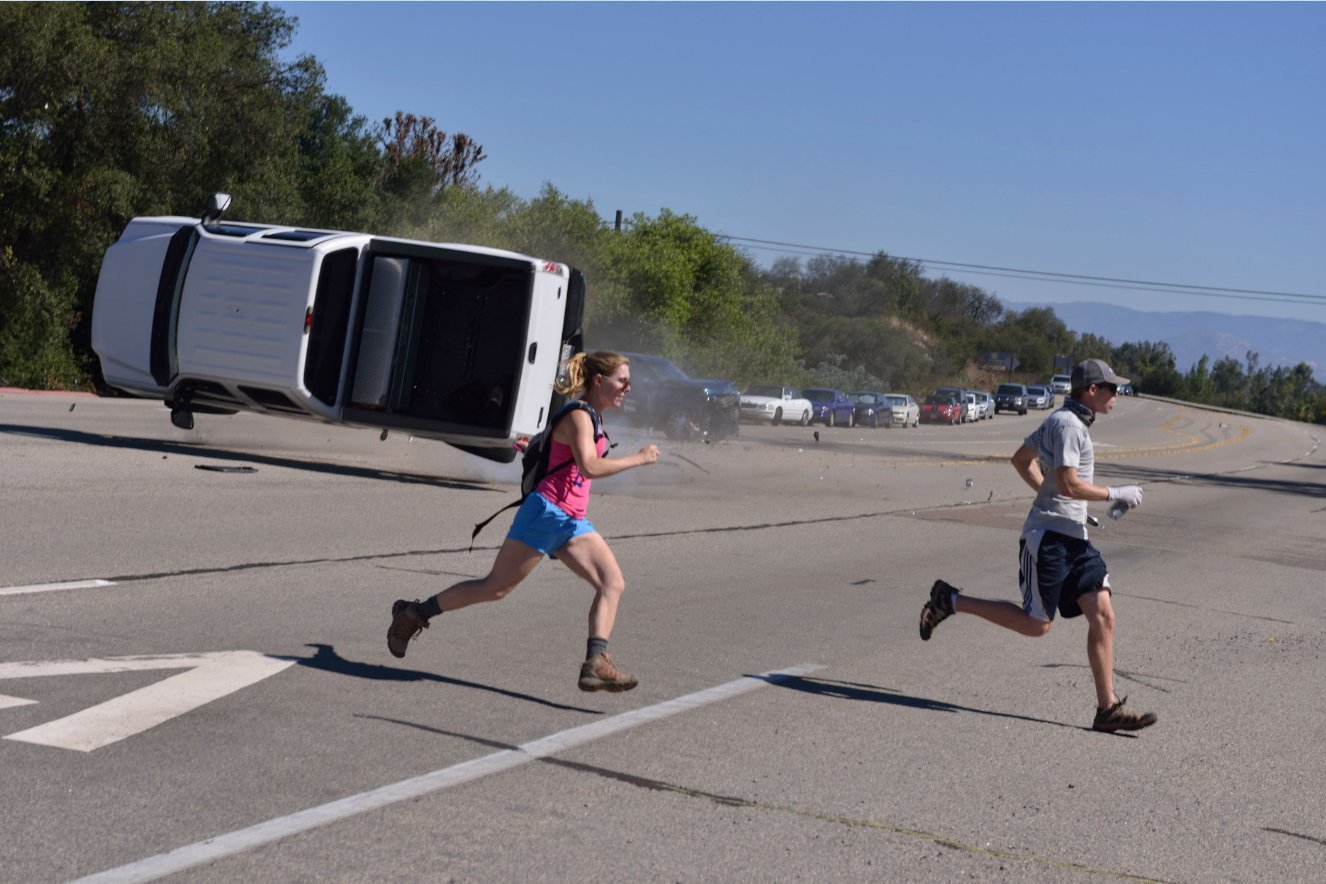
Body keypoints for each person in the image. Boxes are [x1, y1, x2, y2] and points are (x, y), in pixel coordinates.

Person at [387, 351, 660, 691]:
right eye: (623, 381)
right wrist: (638, 458)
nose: (628, 388)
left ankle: (596, 661)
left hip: (572, 519)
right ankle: (414, 613)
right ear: (599, 381)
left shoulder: (592, 417)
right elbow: (589, 466)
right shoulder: (580, 416)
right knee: (495, 588)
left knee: (612, 583)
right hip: (545, 512)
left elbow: (565, 457)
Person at [919, 358, 1157, 733]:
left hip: (1075, 538)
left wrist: (1062, 502)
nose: (1117, 394)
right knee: (1037, 625)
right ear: (1091, 391)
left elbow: (1022, 461)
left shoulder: (1068, 421)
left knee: (1104, 614)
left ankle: (1106, 708)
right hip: (1047, 541)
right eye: (1111, 388)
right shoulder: (1067, 426)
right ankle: (949, 600)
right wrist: (1114, 492)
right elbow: (1066, 483)